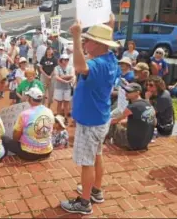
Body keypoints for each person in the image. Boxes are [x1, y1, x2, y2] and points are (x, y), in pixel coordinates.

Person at [60, 15, 119, 215]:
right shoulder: (110, 59)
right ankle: (96, 190)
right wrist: (109, 26)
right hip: (100, 117)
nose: (85, 42)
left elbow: (80, 67)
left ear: (98, 44)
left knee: (87, 162)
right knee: (97, 155)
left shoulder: (96, 65)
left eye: (88, 40)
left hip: (90, 121)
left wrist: (76, 38)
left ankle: (84, 202)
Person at [1, 87, 54, 160]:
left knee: (4, 138)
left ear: (30, 99)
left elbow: (16, 135)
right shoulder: (49, 111)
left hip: (28, 154)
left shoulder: (24, 114)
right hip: (47, 152)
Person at [108, 83, 156, 151]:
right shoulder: (148, 104)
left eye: (129, 92)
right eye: (126, 91)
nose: (126, 93)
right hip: (145, 143)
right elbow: (154, 122)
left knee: (113, 124)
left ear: (137, 93)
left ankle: (103, 142)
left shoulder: (132, 107)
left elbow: (115, 120)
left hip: (132, 144)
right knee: (123, 122)